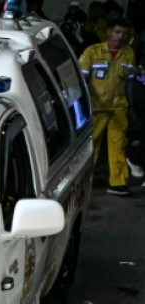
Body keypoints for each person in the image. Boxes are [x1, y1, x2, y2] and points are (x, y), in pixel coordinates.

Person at [79, 18, 138, 196]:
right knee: (91, 146)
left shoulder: (128, 54)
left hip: (118, 108)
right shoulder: (92, 52)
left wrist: (132, 105)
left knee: (119, 145)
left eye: (124, 34)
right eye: (117, 32)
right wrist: (85, 105)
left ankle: (118, 183)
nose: (120, 37)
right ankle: (83, 182)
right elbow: (81, 81)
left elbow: (129, 82)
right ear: (109, 32)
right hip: (96, 108)